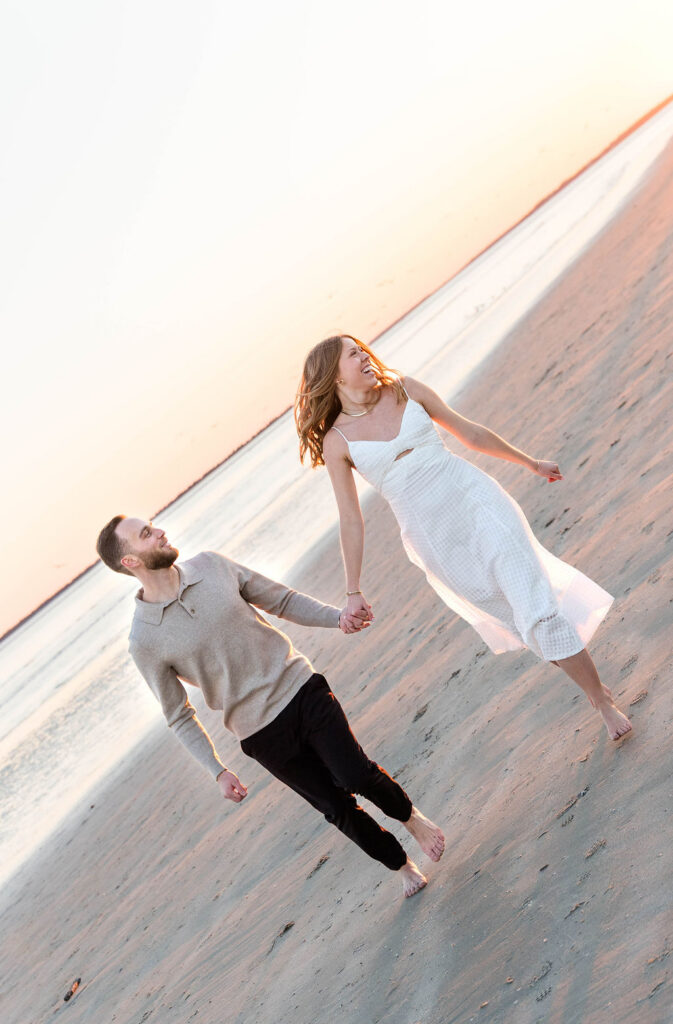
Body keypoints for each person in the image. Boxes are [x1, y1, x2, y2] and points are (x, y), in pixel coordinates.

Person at [295, 334, 632, 741]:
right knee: (524, 622)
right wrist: (352, 590)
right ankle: (594, 689)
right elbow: (350, 519)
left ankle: (601, 701)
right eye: (354, 354)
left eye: (363, 349)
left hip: (478, 503)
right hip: (435, 538)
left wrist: (530, 462)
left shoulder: (404, 389)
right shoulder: (337, 442)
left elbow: (468, 432)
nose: (365, 356)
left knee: (538, 610)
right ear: (333, 377)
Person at [95, 515, 445, 898]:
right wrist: (216, 770)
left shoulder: (211, 566)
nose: (159, 531)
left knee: (355, 776)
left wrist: (338, 618)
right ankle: (401, 866)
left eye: (153, 525)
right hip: (259, 733)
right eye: (146, 534)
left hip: (299, 688)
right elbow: (178, 714)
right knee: (336, 807)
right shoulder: (144, 639)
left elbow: (282, 600)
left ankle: (411, 818)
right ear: (131, 561)